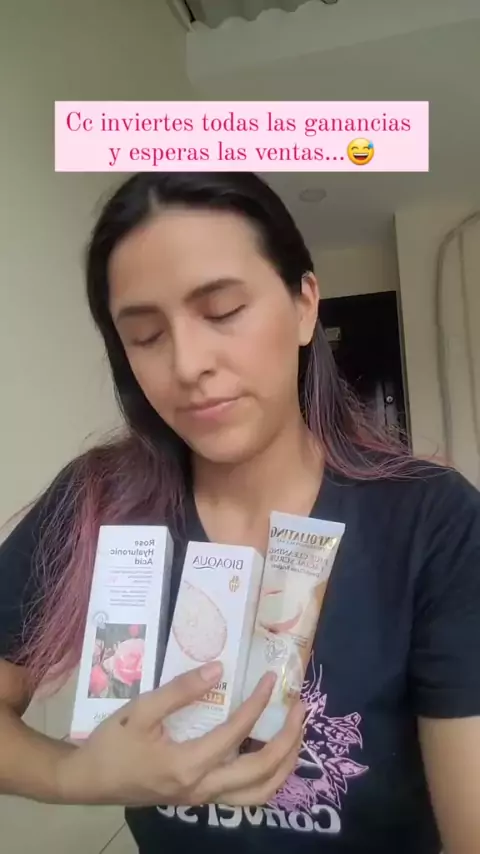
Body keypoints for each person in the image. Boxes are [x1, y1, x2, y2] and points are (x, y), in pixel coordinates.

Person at [0, 171, 479, 854]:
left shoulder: (432, 520)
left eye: (222, 311)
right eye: (145, 335)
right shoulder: (97, 501)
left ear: (305, 305)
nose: (188, 364)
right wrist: (74, 775)